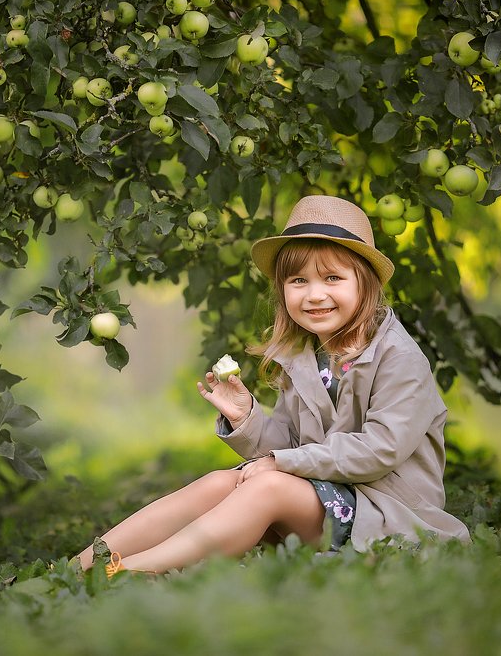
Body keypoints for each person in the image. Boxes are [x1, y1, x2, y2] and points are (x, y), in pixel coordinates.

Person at [75, 195, 469, 576]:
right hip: (324, 502)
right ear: (282, 290)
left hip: (387, 516)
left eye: (332, 277)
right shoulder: (307, 355)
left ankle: (128, 572)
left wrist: (280, 464)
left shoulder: (399, 358)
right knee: (222, 481)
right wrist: (247, 419)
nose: (315, 295)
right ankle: (82, 566)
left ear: (364, 283)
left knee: (268, 487)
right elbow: (291, 446)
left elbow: (379, 450)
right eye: (299, 280)